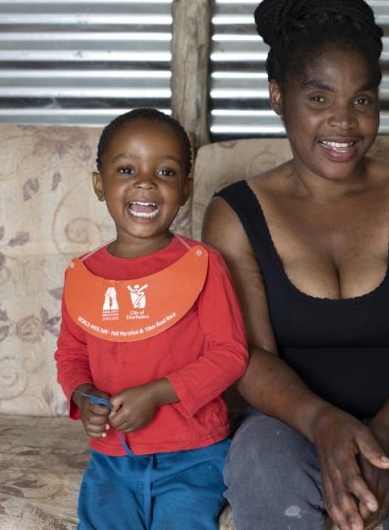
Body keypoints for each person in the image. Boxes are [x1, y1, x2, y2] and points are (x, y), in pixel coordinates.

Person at [201, 0, 389, 529]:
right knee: (261, 464)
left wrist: (387, 437)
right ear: (277, 95)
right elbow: (248, 356)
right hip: (287, 421)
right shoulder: (235, 213)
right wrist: (324, 424)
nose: (344, 122)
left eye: (362, 99)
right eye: (318, 98)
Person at [55, 108, 248, 530]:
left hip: (193, 456)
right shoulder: (84, 276)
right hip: (111, 458)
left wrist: (158, 394)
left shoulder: (204, 265)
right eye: (126, 169)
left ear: (186, 189)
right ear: (99, 184)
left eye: (165, 171)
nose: (145, 182)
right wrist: (84, 396)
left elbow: (231, 354)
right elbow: (70, 355)